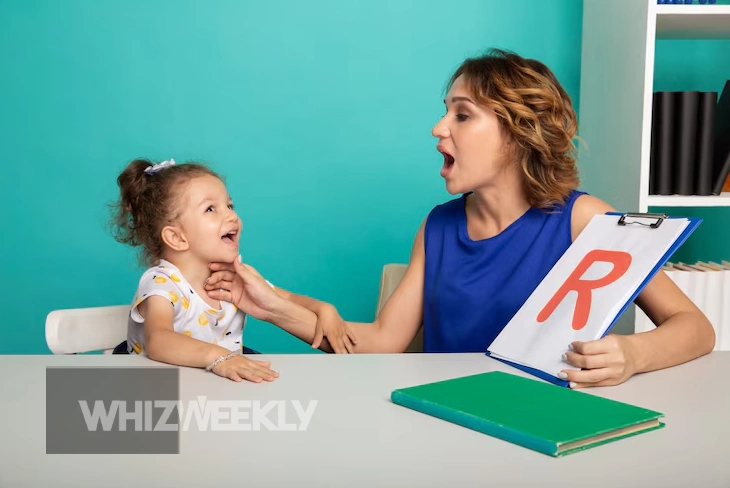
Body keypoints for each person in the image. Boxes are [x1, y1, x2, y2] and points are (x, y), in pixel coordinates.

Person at [204, 48, 716, 388]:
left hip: (550, 425)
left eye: (462, 114)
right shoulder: (439, 226)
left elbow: (695, 328)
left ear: (517, 133)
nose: (437, 127)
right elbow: (381, 344)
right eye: (445, 111)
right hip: (449, 422)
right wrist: (270, 307)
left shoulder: (584, 219)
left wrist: (632, 355)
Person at [110, 158, 357, 383]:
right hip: (159, 388)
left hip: (209, 384)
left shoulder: (230, 279)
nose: (232, 216)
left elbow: (286, 299)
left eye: (229, 205)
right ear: (176, 237)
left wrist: (324, 309)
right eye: (211, 209)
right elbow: (158, 340)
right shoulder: (161, 282)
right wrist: (220, 357)